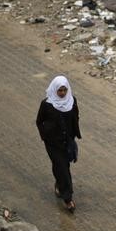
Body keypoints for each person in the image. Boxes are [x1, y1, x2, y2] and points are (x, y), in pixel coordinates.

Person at [36, 76, 81, 212]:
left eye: (64, 90)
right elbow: (39, 121)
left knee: (62, 165)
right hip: (52, 143)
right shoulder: (47, 104)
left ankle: (59, 184)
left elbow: (76, 117)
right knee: (62, 167)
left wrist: (73, 136)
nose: (62, 93)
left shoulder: (72, 102)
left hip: (67, 141)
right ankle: (68, 199)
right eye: (59, 90)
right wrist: (45, 136)